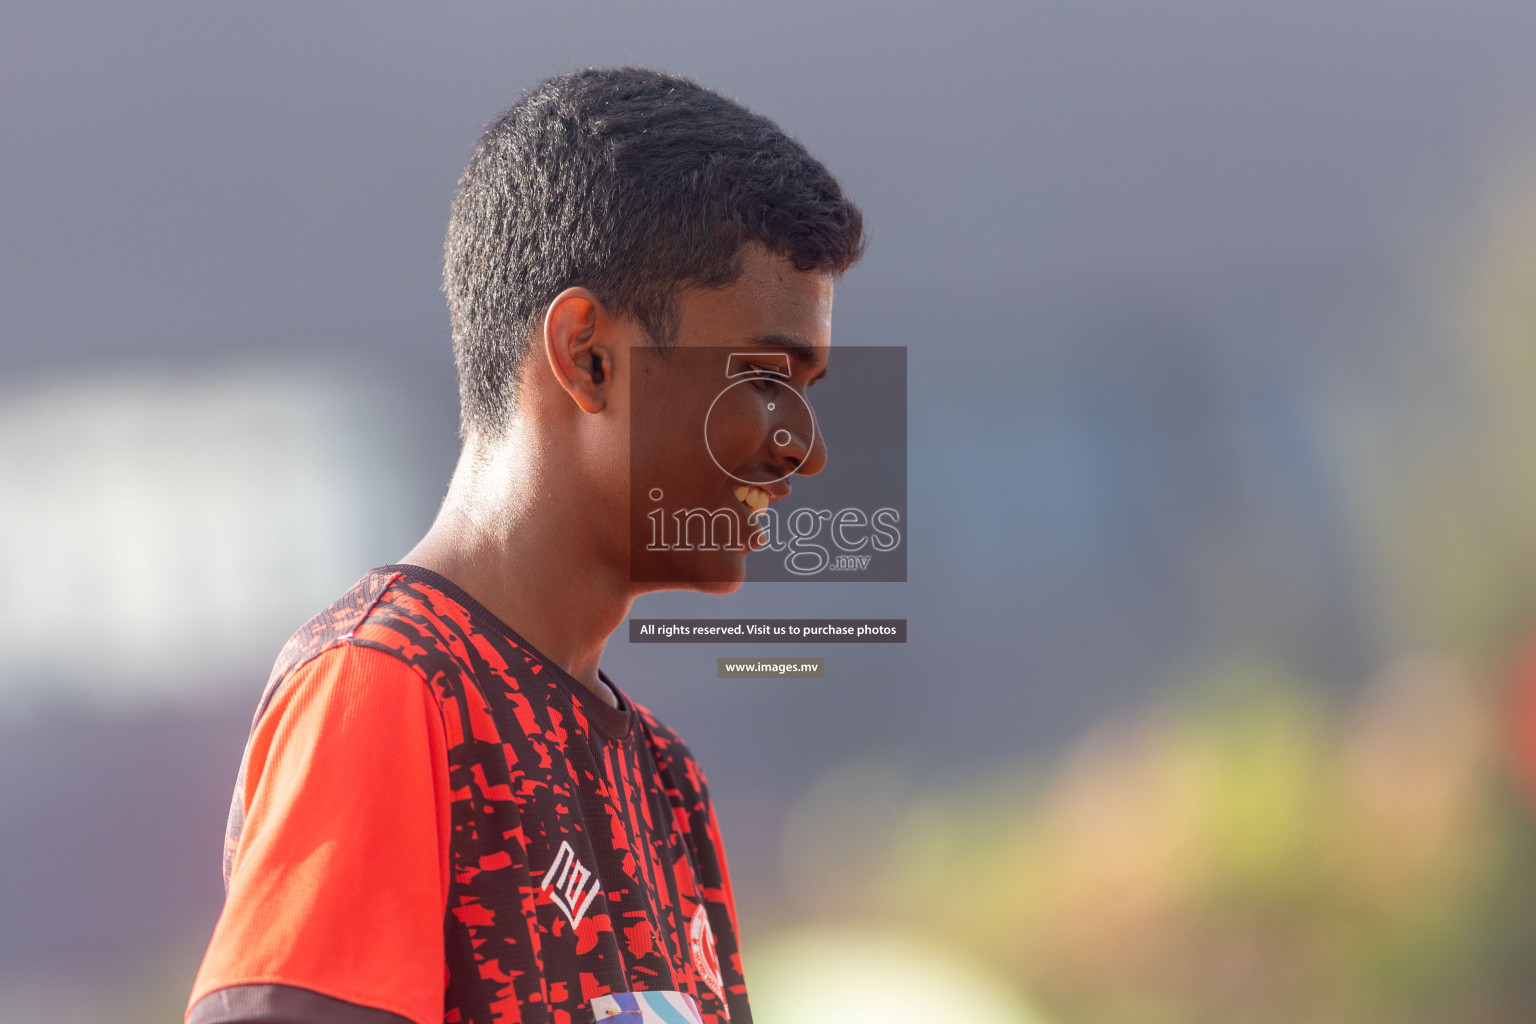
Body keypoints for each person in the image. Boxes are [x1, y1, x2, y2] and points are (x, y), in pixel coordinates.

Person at [184, 67, 863, 1024]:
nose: (806, 447)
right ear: (587, 353)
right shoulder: (385, 688)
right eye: (761, 377)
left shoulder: (666, 783)